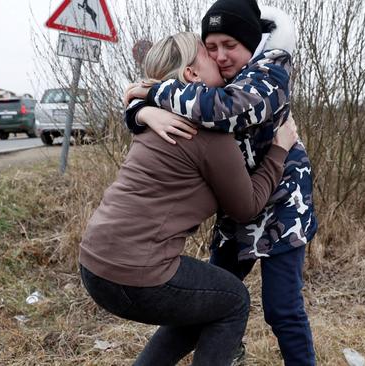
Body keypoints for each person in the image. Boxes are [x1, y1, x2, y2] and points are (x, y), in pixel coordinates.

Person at [79, 32, 300, 366]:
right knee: (234, 301)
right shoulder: (206, 133)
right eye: (209, 54)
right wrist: (279, 151)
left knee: (204, 306)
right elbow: (247, 208)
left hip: (94, 264)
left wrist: (139, 110)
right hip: (137, 273)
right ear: (193, 74)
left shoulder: (155, 117)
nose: (220, 60)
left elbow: (136, 101)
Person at [124, 1, 317, 364]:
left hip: (282, 209)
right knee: (204, 303)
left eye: (230, 44)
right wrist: (140, 111)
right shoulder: (213, 81)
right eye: (211, 47)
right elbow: (182, 104)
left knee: (283, 310)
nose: (221, 55)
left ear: (251, 42)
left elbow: (224, 109)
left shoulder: (270, 73)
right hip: (239, 206)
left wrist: (152, 93)